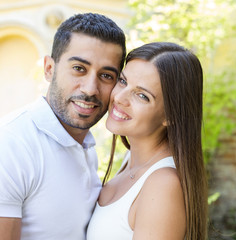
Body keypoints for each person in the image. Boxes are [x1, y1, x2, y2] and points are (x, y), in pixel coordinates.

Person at [0, 13, 126, 240]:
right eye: (79, 68)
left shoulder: (85, 145)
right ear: (49, 68)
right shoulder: (11, 144)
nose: (90, 89)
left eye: (106, 75)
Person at [86, 42, 208, 240]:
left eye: (142, 96)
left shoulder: (163, 184)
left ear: (171, 115)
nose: (120, 98)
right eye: (123, 82)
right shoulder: (132, 160)